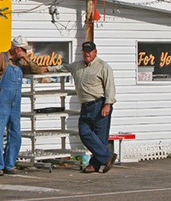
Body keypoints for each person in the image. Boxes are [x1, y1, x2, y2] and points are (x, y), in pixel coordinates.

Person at [42, 41, 117, 173]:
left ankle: (94, 165)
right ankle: (107, 156)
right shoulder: (77, 66)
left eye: (90, 51)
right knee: (84, 133)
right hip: (85, 106)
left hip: (99, 104)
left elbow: (110, 87)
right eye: (85, 51)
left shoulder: (103, 67)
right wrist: (46, 69)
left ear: (95, 52)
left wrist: (108, 104)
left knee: (100, 137)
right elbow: (62, 68)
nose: (87, 53)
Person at [0, 36, 41, 176]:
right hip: (2, 100)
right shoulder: (1, 58)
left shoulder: (21, 63)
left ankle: (9, 164)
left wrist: (27, 60)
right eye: (24, 50)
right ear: (17, 49)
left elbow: (37, 71)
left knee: (15, 134)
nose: (26, 52)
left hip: (15, 102)